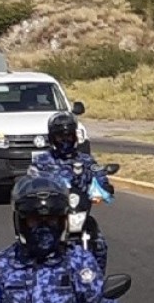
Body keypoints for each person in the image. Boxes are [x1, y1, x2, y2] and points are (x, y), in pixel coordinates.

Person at [0, 174, 105, 303]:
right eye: (35, 220)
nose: (43, 227)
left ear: (62, 221)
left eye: (51, 219)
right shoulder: (2, 264)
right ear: (20, 222)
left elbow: (99, 298)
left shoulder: (78, 260)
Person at [28, 112, 113, 274]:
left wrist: (104, 188)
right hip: (51, 217)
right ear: (52, 138)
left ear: (75, 137)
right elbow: (32, 182)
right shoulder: (42, 162)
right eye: (61, 137)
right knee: (33, 242)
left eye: (69, 136)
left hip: (78, 214)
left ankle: (98, 282)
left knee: (100, 243)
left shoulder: (86, 160)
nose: (65, 141)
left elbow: (98, 175)